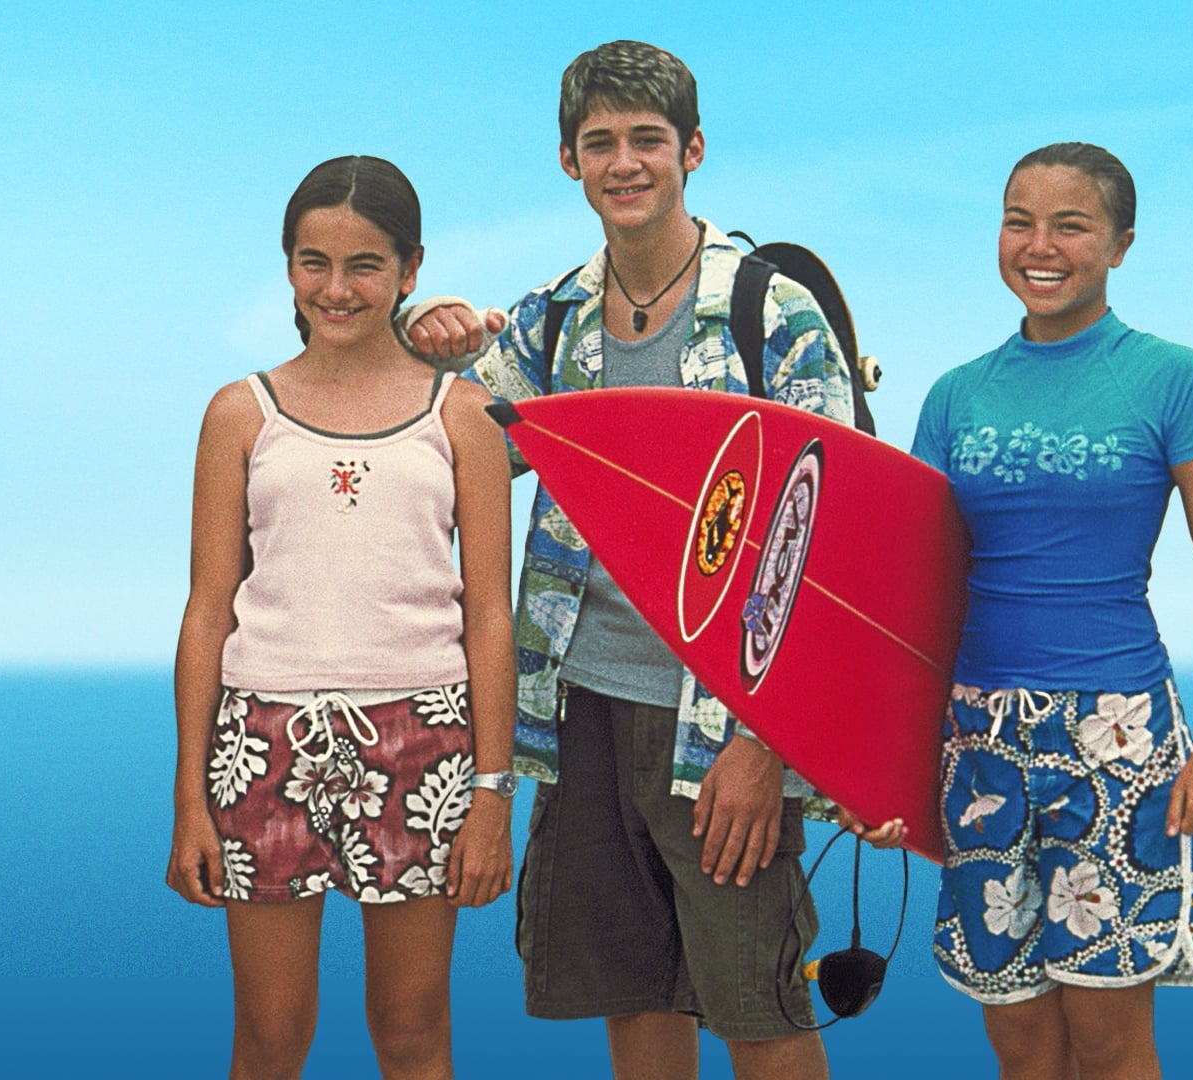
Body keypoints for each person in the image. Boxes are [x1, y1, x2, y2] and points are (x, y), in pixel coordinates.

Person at [404, 41, 850, 1080]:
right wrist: (421, 341)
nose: (624, 162)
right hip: (583, 709)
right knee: (633, 994)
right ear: (569, 161)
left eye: (648, 139)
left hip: (723, 721)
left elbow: (823, 539)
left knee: (761, 1010)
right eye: (599, 142)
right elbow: (457, 455)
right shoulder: (554, 318)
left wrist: (766, 744)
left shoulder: (772, 312)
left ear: (692, 150)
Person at [888, 142, 1193, 1080]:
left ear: (1121, 245)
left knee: (1107, 1036)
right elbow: (918, 587)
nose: (1039, 247)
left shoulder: (1174, 377)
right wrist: (883, 762)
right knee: (1018, 1038)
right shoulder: (956, 394)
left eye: (1071, 226)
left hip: (1116, 733)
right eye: (1019, 222)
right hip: (979, 735)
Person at [166, 154, 517, 1080]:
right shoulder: (240, 414)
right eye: (313, 262)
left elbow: (490, 614)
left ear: (410, 269)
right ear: (287, 265)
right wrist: (189, 798)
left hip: (424, 738)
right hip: (262, 739)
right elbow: (207, 612)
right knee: (270, 1034)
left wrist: (492, 795)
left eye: (366, 265)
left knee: (412, 1032)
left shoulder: (466, 415)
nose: (336, 288)